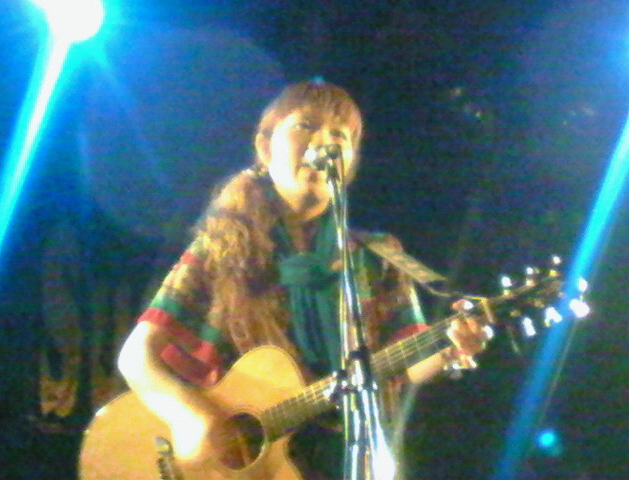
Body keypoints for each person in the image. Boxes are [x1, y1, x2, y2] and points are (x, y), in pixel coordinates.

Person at [117, 80, 490, 479]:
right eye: (306, 125)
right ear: (265, 147)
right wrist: (193, 418)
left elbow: (410, 361)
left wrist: (451, 346)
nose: (324, 141)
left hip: (335, 461)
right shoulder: (221, 247)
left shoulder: (378, 257)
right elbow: (136, 357)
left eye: (340, 135)